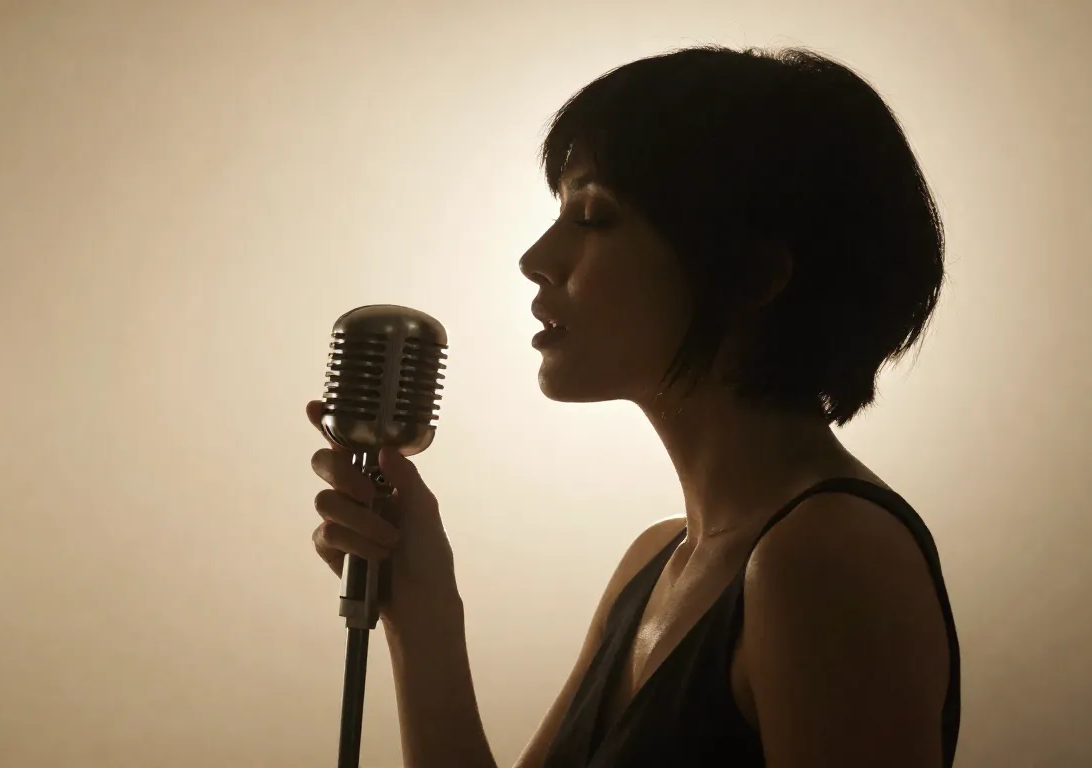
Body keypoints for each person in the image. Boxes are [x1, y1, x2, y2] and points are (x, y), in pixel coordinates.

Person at [306, 45, 960, 768]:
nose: (536, 258)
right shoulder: (654, 562)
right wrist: (420, 607)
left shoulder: (830, 557)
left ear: (752, 275)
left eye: (593, 216)